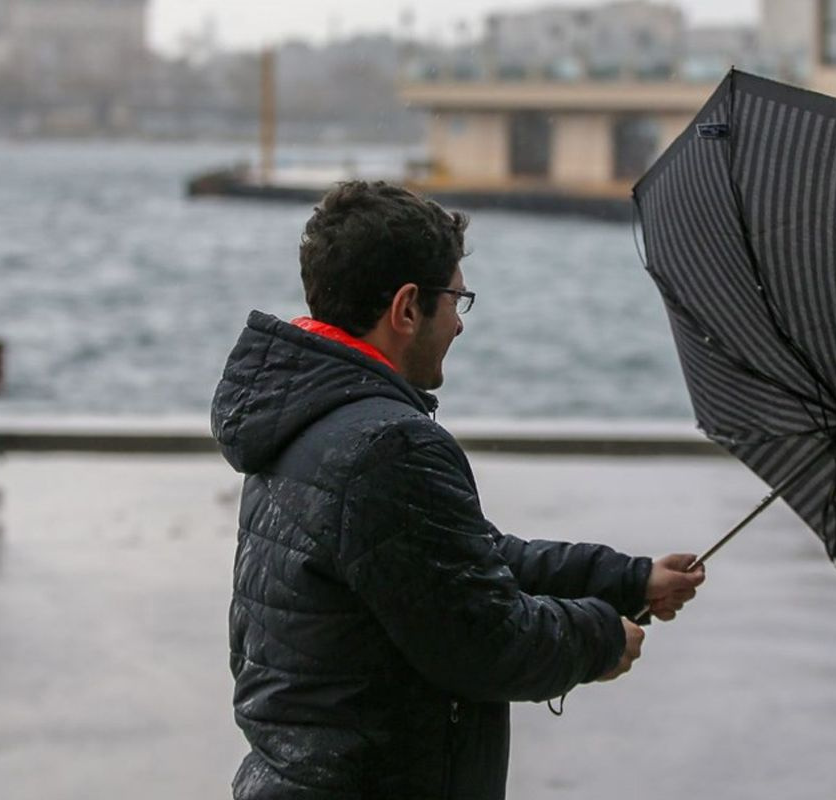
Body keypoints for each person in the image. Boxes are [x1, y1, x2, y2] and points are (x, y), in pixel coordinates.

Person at [210, 181, 705, 800]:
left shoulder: (304, 416)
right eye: (457, 299)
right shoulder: (387, 445)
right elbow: (483, 641)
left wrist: (627, 580)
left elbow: (466, 559)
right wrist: (600, 638)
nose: (459, 324)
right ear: (407, 308)